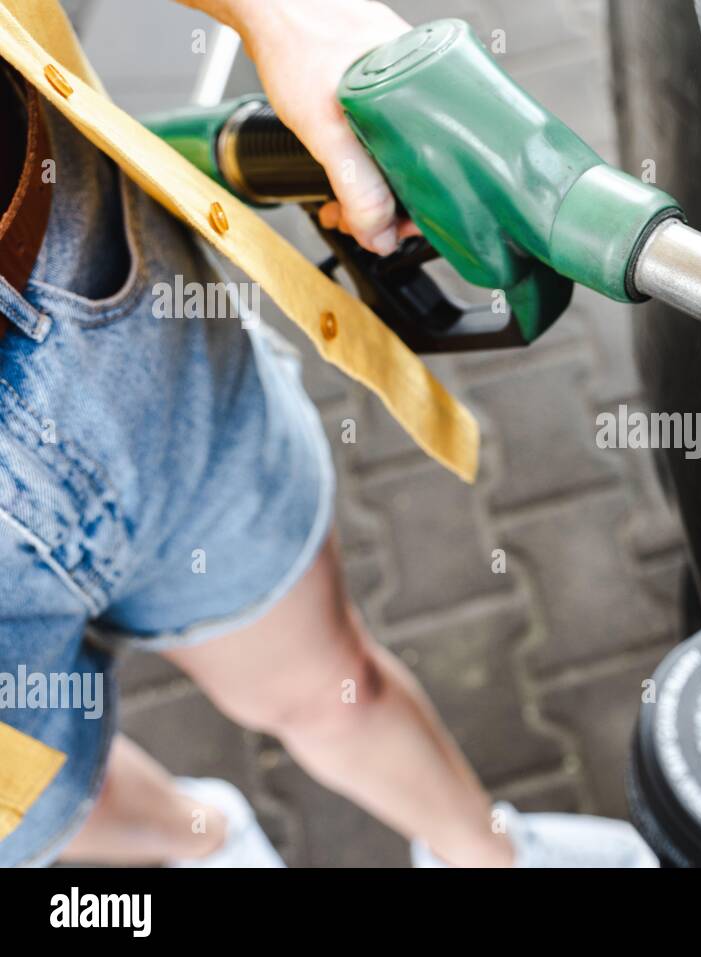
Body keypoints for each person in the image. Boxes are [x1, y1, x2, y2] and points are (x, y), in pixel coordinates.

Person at [0, 0, 656, 867]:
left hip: (103, 316)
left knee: (334, 689)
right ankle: (203, 847)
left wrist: (289, 17)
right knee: (47, 804)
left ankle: (491, 857)